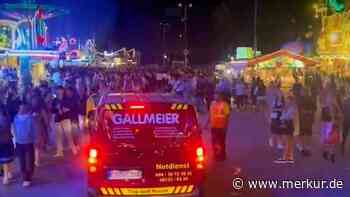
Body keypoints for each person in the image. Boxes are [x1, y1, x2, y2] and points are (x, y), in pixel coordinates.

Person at [13, 104, 37, 187]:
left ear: (26, 109)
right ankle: (25, 177)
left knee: (30, 160)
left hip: (29, 142)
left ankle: (28, 177)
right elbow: (14, 129)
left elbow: (34, 130)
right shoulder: (16, 118)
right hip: (19, 142)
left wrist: (35, 139)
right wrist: (15, 140)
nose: (20, 109)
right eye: (19, 108)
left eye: (22, 108)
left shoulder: (30, 119)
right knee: (22, 161)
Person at [52, 86, 78, 157]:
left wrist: (63, 109)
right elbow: (52, 110)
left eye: (60, 90)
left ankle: (74, 150)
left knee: (68, 135)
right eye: (57, 90)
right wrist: (56, 109)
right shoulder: (55, 100)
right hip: (57, 119)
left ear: (63, 91)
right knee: (59, 137)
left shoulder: (66, 99)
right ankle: (59, 152)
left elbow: (70, 107)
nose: (59, 92)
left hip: (65, 119)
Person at [274, 94, 298, 164]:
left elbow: (289, 117)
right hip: (287, 124)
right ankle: (289, 157)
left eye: (288, 100)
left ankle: (286, 157)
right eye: (287, 100)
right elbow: (283, 115)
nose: (287, 101)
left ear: (291, 100)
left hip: (289, 124)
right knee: (288, 141)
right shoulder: (288, 107)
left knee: (288, 141)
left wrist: (283, 116)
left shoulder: (293, 107)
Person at [208, 93, 231, 161]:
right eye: (215, 95)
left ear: (221, 97)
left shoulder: (225, 104)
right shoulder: (212, 104)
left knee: (221, 142)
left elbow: (227, 116)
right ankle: (216, 155)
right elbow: (211, 114)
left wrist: (225, 127)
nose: (216, 96)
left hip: (221, 126)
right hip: (213, 126)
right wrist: (207, 124)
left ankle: (222, 156)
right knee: (214, 141)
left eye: (217, 95)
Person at [296, 89, 316, 157]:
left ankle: (304, 148)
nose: (302, 93)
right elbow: (314, 108)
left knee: (304, 133)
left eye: (303, 92)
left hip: (304, 120)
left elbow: (314, 108)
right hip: (306, 120)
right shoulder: (309, 99)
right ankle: (305, 147)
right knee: (306, 134)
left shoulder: (301, 99)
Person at [0, 105, 14, 185]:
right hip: (7, 140)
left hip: (3, 141)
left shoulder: (2, 118)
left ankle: (6, 176)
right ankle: (8, 173)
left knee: (4, 159)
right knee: (7, 158)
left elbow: (3, 129)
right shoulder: (6, 117)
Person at [342, 90, 350, 156]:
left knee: (345, 134)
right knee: (345, 134)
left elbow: (343, 110)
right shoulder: (345, 100)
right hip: (346, 119)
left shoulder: (345, 100)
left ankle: (342, 146)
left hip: (346, 119)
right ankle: (342, 146)